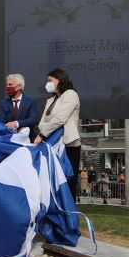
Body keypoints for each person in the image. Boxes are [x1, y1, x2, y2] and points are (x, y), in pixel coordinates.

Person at [34, 68, 81, 200]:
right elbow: (43, 122)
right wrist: (41, 133)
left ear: (60, 80)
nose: (47, 83)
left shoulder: (71, 95)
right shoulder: (51, 100)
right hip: (50, 144)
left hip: (68, 144)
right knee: (50, 178)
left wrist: (42, 135)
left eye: (50, 80)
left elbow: (60, 118)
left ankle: (69, 213)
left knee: (67, 179)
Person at [0, 73, 39, 141]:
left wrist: (17, 124)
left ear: (19, 86)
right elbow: (1, 121)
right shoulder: (4, 103)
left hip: (28, 140)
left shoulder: (30, 102)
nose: (7, 87)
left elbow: (33, 120)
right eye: (7, 85)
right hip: (9, 139)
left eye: (10, 85)